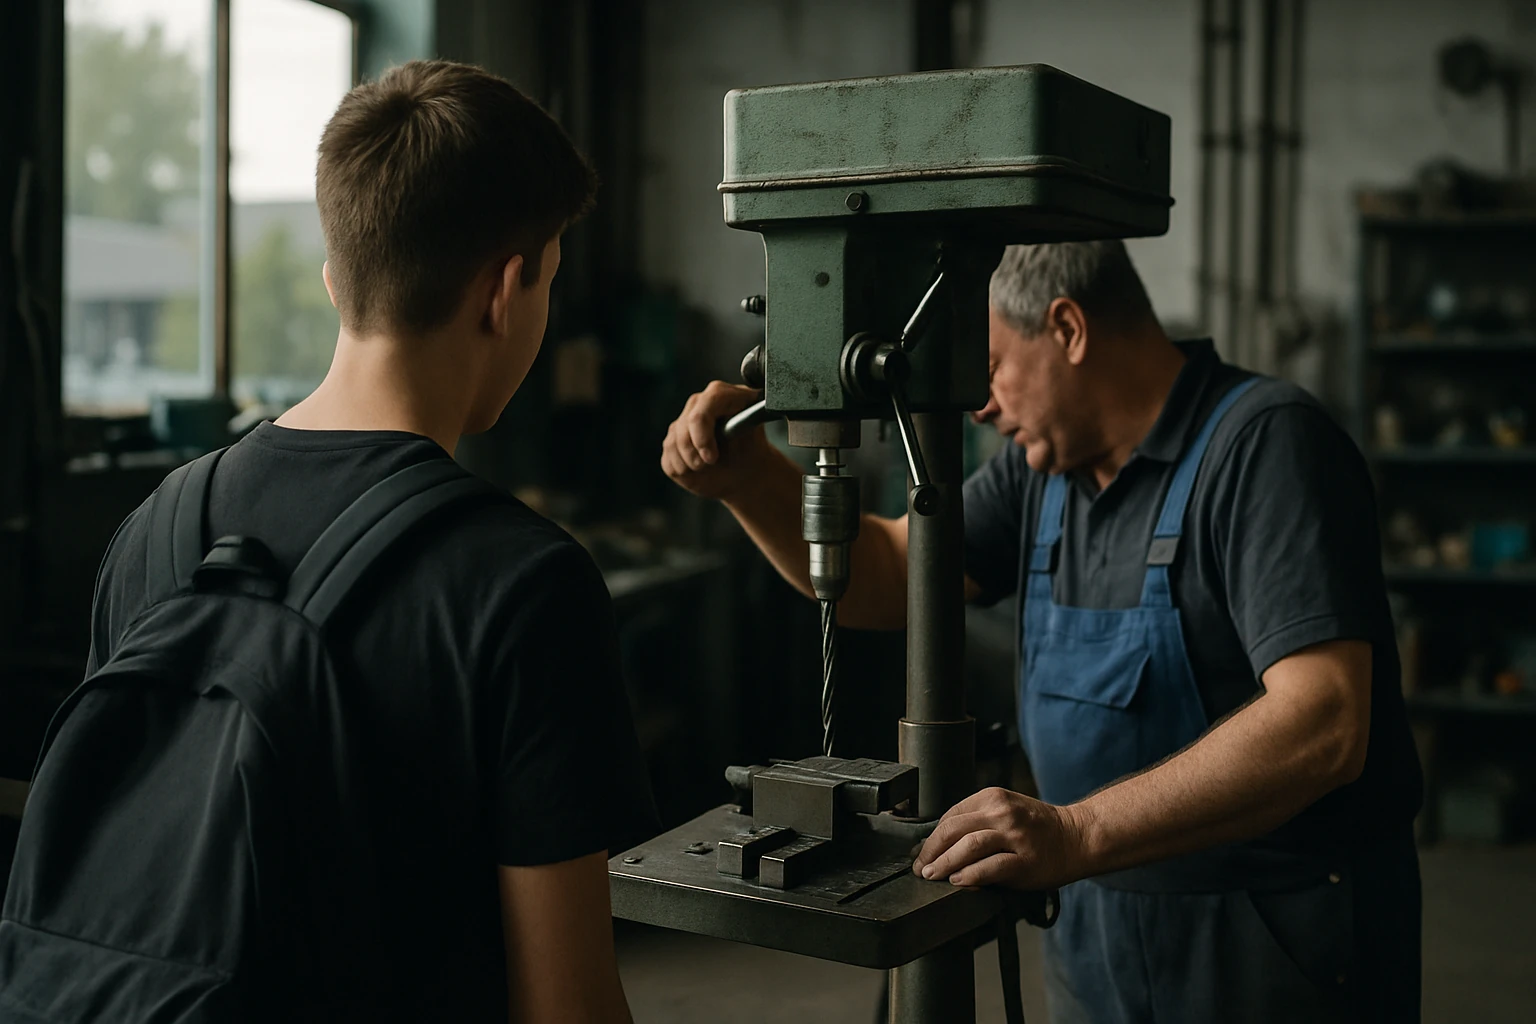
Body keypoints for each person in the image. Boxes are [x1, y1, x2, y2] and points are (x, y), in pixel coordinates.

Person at [661, 240, 1423, 1023]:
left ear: (1067, 328)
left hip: (1267, 940)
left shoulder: (1263, 447)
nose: (980, 405)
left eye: (990, 367)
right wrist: (749, 479)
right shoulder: (1044, 471)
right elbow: (892, 574)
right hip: (1100, 926)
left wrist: (1075, 832)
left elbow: (1324, 721)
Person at [87, 61, 652, 1023]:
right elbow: (568, 1009)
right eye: (549, 279)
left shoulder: (151, 530)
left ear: (334, 276)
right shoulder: (524, 585)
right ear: (506, 291)